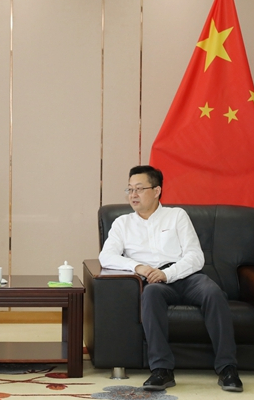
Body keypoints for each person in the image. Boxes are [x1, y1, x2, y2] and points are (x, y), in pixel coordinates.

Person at [98, 165, 243, 393]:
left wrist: (168, 273)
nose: (133, 195)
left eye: (139, 189)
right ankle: (162, 370)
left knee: (213, 292)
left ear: (157, 191)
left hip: (186, 276)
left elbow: (195, 256)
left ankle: (227, 368)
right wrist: (138, 267)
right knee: (150, 294)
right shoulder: (122, 223)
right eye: (129, 189)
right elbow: (106, 257)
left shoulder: (176, 216)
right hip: (154, 282)